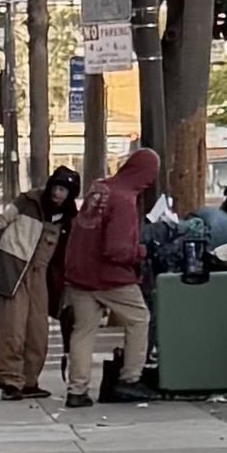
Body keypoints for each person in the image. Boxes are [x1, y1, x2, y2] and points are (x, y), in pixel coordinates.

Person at [63, 148, 160, 408]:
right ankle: (129, 379)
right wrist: (139, 252)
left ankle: (77, 390)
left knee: (83, 330)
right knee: (139, 319)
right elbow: (116, 249)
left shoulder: (100, 189)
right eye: (150, 175)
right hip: (109, 276)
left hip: (78, 273)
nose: (150, 181)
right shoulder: (124, 200)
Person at [0, 166, 80, 401]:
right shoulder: (26, 201)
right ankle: (10, 380)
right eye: (56, 188)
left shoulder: (68, 219)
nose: (58, 194)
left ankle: (29, 380)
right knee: (13, 329)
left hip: (42, 277)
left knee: (38, 332)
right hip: (14, 271)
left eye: (64, 190)